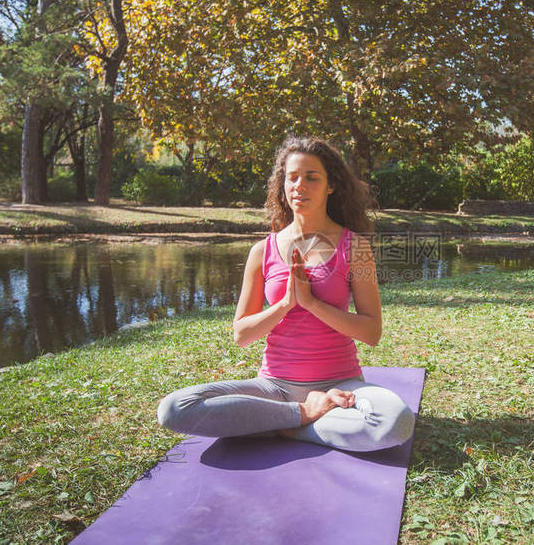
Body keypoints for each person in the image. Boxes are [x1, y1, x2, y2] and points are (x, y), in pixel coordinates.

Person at [156, 136, 414, 452]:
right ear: (282, 185)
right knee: (175, 408)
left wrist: (311, 303)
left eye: (311, 177)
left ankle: (273, 425)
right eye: (292, 177)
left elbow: (371, 332)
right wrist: (285, 305)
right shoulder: (261, 251)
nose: (299, 186)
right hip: (274, 388)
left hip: (340, 386)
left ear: (331, 185)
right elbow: (241, 334)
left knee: (394, 421)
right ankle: (302, 417)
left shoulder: (356, 249)